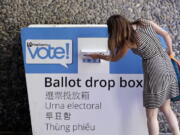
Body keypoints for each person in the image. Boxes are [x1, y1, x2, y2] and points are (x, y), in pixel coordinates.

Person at [86, 14, 180, 135]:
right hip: (167, 63)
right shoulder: (143, 22)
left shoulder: (129, 41)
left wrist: (97, 55)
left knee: (151, 116)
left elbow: (114, 58)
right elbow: (166, 34)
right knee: (166, 108)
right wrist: (170, 52)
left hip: (154, 69)